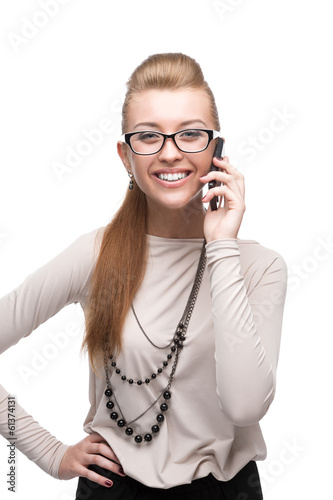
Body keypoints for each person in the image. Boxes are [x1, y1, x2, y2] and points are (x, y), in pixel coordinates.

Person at [0, 53, 287, 499]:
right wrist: (49, 453)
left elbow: (245, 405)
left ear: (217, 148)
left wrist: (222, 244)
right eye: (149, 136)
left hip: (226, 491)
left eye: (191, 134)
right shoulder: (95, 254)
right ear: (125, 155)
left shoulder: (259, 267)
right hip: (114, 488)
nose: (170, 151)